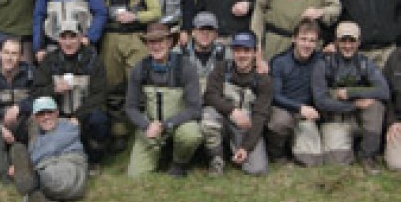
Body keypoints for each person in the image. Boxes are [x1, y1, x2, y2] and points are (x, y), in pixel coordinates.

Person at [100, 0, 160, 152]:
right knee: (113, 86)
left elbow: (156, 11)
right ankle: (118, 133)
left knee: (139, 84)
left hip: (136, 38)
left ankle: (144, 129)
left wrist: (135, 16)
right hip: (110, 39)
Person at [125, 23, 202, 177]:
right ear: (146, 44)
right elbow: (130, 107)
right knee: (135, 175)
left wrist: (166, 125)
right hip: (150, 127)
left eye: (160, 41)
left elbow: (195, 109)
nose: (156, 46)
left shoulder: (186, 67)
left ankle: (179, 162)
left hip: (178, 124)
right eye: (152, 42)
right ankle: (161, 153)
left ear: (169, 43)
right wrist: (146, 126)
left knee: (191, 134)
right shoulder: (139, 69)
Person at [311, 22, 389, 174]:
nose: (348, 46)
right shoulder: (323, 64)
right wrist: (354, 105)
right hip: (335, 117)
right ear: (336, 42)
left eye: (352, 41)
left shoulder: (365, 63)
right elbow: (320, 101)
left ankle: (368, 155)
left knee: (376, 105)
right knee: (338, 162)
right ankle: (349, 148)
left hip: (360, 119)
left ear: (359, 42)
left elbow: (384, 91)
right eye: (343, 41)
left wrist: (351, 92)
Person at [9, 96, 87, 202]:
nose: (46, 117)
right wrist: (23, 167)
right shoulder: (35, 138)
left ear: (57, 113)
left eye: (49, 112)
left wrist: (27, 163)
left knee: (53, 177)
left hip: (69, 165)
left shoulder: (69, 126)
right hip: (44, 169)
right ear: (35, 117)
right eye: (41, 114)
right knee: (37, 194)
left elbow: (52, 146)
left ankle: (34, 180)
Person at [34, 21, 108, 170]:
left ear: (81, 37)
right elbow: (36, 92)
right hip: (57, 117)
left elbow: (100, 94)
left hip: (84, 117)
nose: (68, 42)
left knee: (99, 120)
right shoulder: (49, 61)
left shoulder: (93, 61)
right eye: (64, 37)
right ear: (58, 39)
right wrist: (54, 89)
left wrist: (78, 117)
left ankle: (94, 158)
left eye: (72, 37)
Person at [202, 31, 272, 176]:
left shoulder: (263, 80)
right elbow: (209, 95)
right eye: (237, 50)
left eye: (247, 50)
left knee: (257, 170)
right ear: (232, 52)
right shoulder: (221, 69)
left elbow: (260, 116)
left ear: (254, 53)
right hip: (223, 120)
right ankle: (216, 159)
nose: (242, 55)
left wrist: (246, 148)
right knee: (208, 117)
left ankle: (235, 150)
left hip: (247, 127)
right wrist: (232, 111)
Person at [266, 18, 323, 166]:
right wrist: (300, 108)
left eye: (312, 41)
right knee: (280, 122)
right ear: (294, 39)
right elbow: (275, 96)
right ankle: (277, 154)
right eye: (303, 39)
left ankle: (297, 148)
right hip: (283, 108)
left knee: (312, 162)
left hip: (307, 114)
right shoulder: (279, 62)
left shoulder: (321, 60)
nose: (307, 44)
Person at [0, 38, 36, 146]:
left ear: (21, 57)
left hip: (23, 122)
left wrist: (19, 107)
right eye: (6, 52)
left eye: (14, 54)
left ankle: (34, 158)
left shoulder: (31, 73)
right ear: (0, 54)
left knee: (37, 118)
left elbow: (41, 97)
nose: (9, 58)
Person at [383, 48, 401, 170]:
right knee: (396, 164)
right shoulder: (394, 57)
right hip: (398, 124)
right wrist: (392, 121)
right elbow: (385, 95)